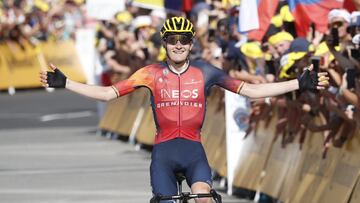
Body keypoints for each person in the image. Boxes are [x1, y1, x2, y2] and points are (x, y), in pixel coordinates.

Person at [40, 17, 329, 203]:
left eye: (184, 40)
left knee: (204, 199)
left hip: (193, 152)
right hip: (164, 154)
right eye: (172, 40)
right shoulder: (150, 73)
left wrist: (298, 83)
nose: (178, 45)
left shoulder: (206, 71)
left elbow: (251, 91)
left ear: (191, 44)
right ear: (164, 43)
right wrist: (66, 83)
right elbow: (106, 94)